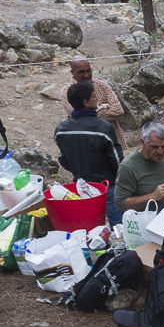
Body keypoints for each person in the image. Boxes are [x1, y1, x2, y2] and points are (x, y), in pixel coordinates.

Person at [54, 80, 124, 225]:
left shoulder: (61, 130)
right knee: (119, 227)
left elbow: (63, 159)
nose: (97, 99)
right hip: (107, 186)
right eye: (94, 96)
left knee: (90, 227)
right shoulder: (103, 128)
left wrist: (78, 171)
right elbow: (117, 161)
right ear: (86, 102)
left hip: (81, 187)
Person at [114, 122, 164, 212]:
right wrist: (152, 197)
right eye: (154, 147)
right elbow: (120, 203)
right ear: (142, 142)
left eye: (163, 146)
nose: (160, 152)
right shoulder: (128, 167)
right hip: (146, 223)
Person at [61, 55, 127, 150]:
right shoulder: (67, 91)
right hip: (86, 143)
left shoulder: (102, 85)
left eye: (89, 70)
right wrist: (106, 107)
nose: (86, 75)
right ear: (72, 72)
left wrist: (92, 115)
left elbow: (118, 110)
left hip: (111, 141)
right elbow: (80, 119)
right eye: (81, 72)